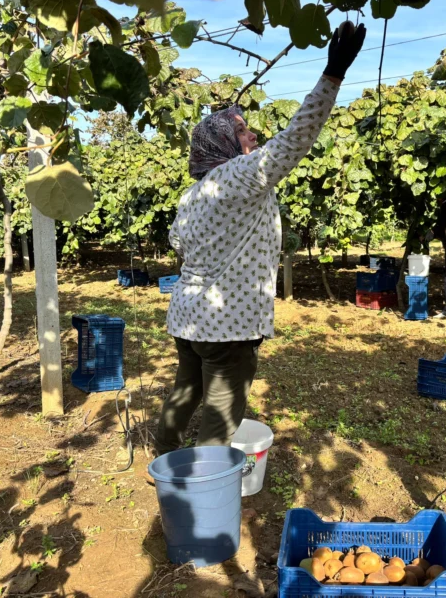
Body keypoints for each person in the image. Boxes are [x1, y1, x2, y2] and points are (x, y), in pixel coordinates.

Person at [154, 23, 367, 456]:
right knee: (222, 410)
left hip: (188, 316)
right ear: (222, 144)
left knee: (185, 393)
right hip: (227, 324)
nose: (253, 135)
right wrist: (333, 74)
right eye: (242, 131)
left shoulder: (192, 194)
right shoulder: (238, 176)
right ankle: (204, 484)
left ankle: (165, 459)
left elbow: (179, 246)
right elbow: (295, 140)